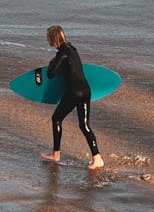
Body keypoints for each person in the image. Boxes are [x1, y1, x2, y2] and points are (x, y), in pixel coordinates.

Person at [40, 25, 105, 169]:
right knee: (84, 125)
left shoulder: (61, 53)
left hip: (74, 92)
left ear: (53, 38)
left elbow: (50, 74)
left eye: (48, 37)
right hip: (86, 91)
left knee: (56, 119)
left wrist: (52, 62)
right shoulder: (71, 49)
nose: (47, 40)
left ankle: (56, 154)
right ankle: (97, 158)